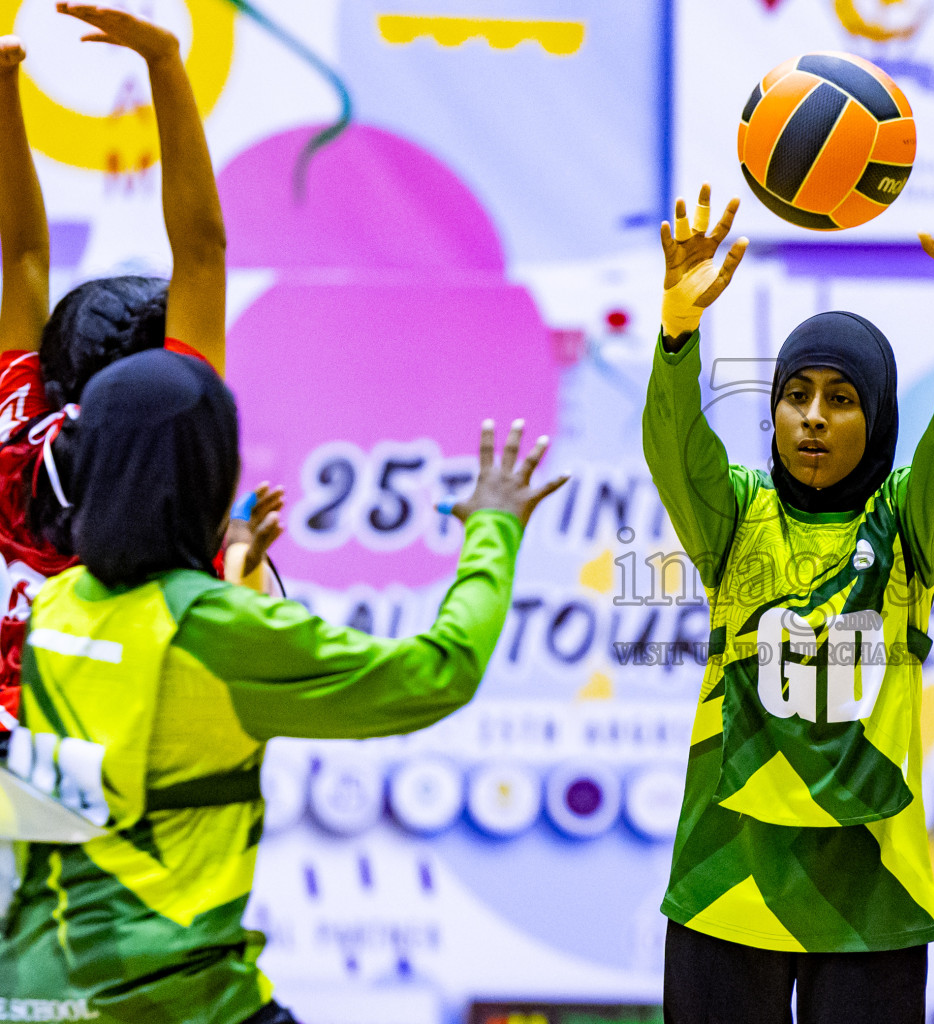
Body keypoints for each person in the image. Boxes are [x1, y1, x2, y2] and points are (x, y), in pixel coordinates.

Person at [0, 349, 567, 1024]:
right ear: (207, 473)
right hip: (166, 997)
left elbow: (164, 723)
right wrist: (493, 528)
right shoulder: (213, 627)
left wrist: (236, 566)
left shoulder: (59, 605)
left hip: (34, 987)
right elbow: (439, 672)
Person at [643, 171, 934, 1023]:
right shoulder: (737, 516)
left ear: (879, 417)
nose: (813, 417)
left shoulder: (908, 530)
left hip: (870, 893)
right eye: (795, 394)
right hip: (724, 883)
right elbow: (674, 448)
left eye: (842, 399)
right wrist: (678, 331)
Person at [0, 5, 282, 738]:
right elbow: (202, 254)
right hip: (101, 758)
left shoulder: (16, 427)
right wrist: (164, 64)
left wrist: (3, 90)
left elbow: (25, 255)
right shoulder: (160, 446)